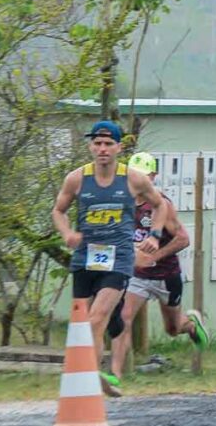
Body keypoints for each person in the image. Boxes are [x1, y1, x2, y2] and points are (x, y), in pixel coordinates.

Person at [51, 121, 166, 397]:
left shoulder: (133, 178)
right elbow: (58, 210)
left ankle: (92, 375)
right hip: (85, 257)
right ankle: (93, 376)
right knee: (84, 324)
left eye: (108, 144)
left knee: (96, 317)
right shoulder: (77, 178)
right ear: (91, 146)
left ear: (119, 147)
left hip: (119, 257)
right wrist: (67, 232)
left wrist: (155, 235)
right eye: (98, 144)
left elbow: (160, 204)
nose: (102, 149)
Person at [109, 152, 207, 384]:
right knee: (124, 316)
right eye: (134, 176)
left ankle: (191, 325)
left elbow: (183, 239)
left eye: (144, 176)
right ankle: (116, 374)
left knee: (172, 329)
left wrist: (155, 256)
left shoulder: (162, 205)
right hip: (137, 276)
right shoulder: (121, 203)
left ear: (153, 177)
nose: (139, 181)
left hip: (166, 275)